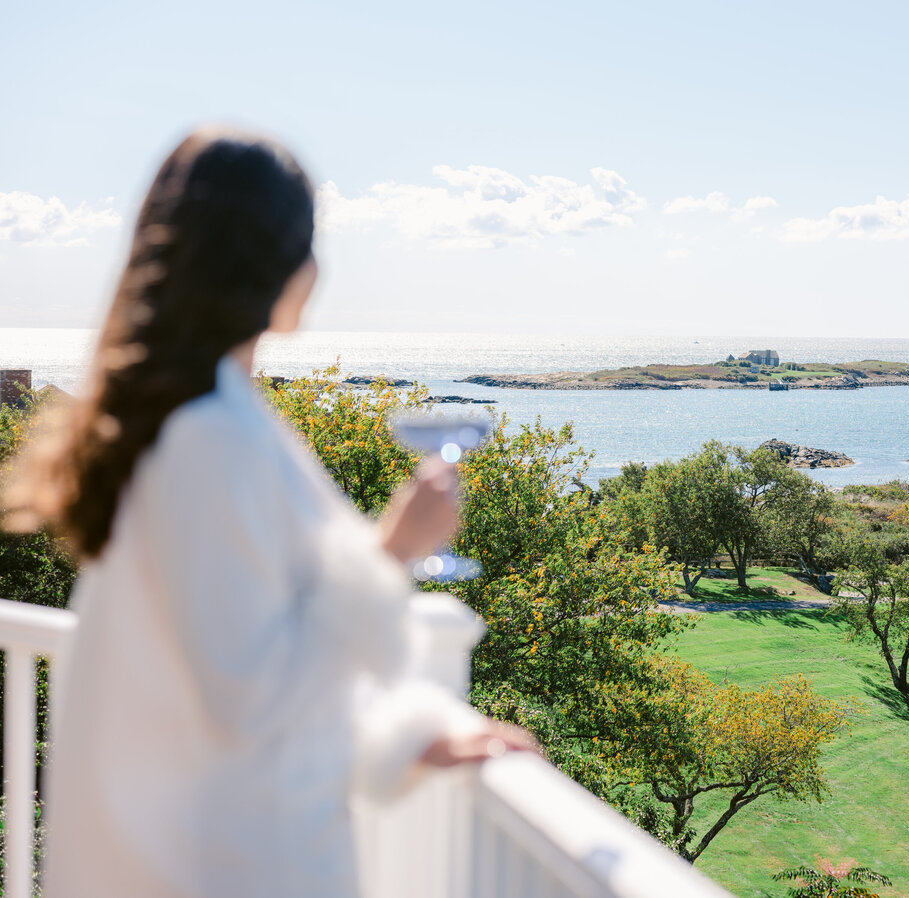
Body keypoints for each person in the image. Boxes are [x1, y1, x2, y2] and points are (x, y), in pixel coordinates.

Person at [2, 128, 533, 898]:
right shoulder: (209, 437)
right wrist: (390, 554)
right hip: (219, 866)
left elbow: (233, 664)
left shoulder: (188, 418)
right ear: (280, 266)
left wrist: (410, 738)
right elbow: (251, 698)